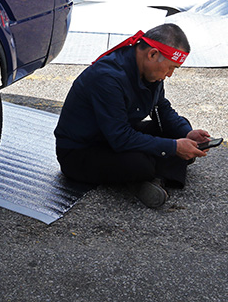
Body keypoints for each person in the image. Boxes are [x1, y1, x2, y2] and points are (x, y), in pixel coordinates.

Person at [54, 23, 211, 208]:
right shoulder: (107, 77)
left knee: (176, 131)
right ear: (152, 54)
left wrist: (186, 134)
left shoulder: (150, 72)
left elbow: (162, 109)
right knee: (140, 163)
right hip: (82, 152)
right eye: (170, 68)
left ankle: (150, 178)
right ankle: (150, 176)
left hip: (112, 137)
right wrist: (173, 148)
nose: (170, 75)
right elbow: (120, 137)